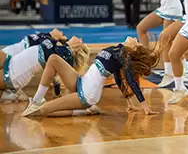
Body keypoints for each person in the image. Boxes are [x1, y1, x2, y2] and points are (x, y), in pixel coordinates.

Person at [21, 37, 159, 117]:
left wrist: (144, 106)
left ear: (133, 49)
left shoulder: (125, 56)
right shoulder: (117, 50)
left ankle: (84, 110)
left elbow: (130, 81)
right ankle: (37, 99)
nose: (135, 38)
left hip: (87, 93)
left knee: (44, 111)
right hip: (81, 82)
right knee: (53, 59)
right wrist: (130, 103)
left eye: (138, 42)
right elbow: (118, 80)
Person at [0, 36, 90, 105]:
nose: (80, 38)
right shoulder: (61, 47)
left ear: (77, 46)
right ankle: (9, 95)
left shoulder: (66, 55)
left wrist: (58, 93)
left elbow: (58, 77)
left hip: (16, 72)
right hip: (13, 61)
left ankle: (10, 95)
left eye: (81, 41)